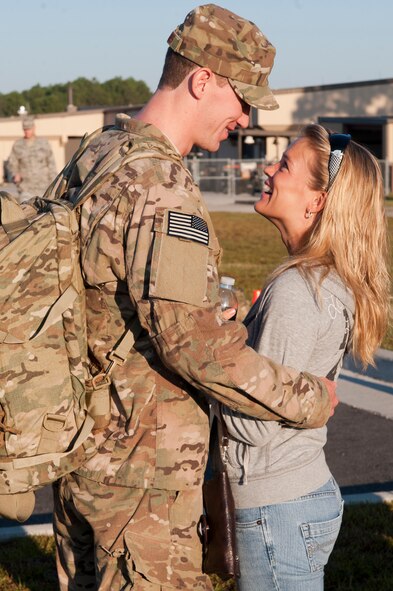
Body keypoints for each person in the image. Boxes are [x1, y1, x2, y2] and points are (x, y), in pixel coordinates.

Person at [52, 6, 336, 591]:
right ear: (202, 80)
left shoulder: (97, 155)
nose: (246, 115)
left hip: (81, 461)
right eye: (242, 96)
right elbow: (195, 352)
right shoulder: (161, 184)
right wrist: (310, 398)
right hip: (141, 484)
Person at [221, 124, 390, 590]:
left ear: (316, 202)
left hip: (274, 507)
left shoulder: (297, 290)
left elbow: (253, 423)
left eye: (285, 165)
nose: (269, 170)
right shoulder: (319, 278)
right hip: (296, 498)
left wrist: (198, 358)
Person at [6, 115, 57, 200]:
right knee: (25, 212)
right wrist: (15, 175)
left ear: (34, 128)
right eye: (25, 129)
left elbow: (51, 165)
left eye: (29, 129)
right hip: (26, 189)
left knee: (46, 212)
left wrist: (54, 185)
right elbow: (12, 164)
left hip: (44, 188)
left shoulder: (44, 143)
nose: (27, 131)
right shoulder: (18, 145)